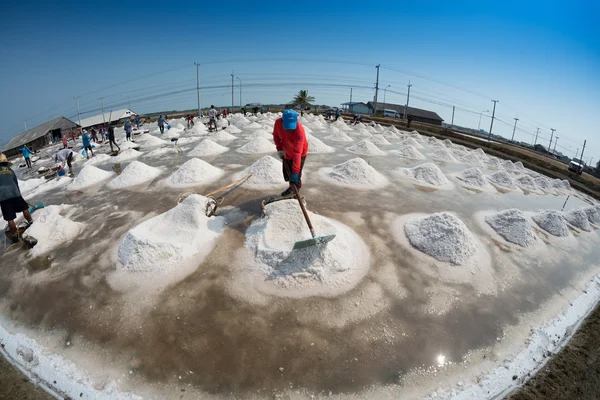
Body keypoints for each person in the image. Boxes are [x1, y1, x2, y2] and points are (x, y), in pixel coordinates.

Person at [272, 109, 308, 197]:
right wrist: (279, 148)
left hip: (300, 153)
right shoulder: (278, 123)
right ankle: (291, 187)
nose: (289, 131)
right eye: (287, 127)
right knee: (287, 172)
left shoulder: (299, 131)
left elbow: (297, 153)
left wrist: (296, 172)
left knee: (295, 174)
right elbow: (276, 135)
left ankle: (295, 190)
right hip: (286, 151)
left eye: (291, 128)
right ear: (282, 121)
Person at [0, 153, 34, 243]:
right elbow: (16, 183)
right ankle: (31, 222)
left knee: (10, 218)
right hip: (15, 192)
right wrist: (19, 195)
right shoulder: (10, 170)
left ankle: (15, 237)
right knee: (24, 208)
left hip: (3, 196)